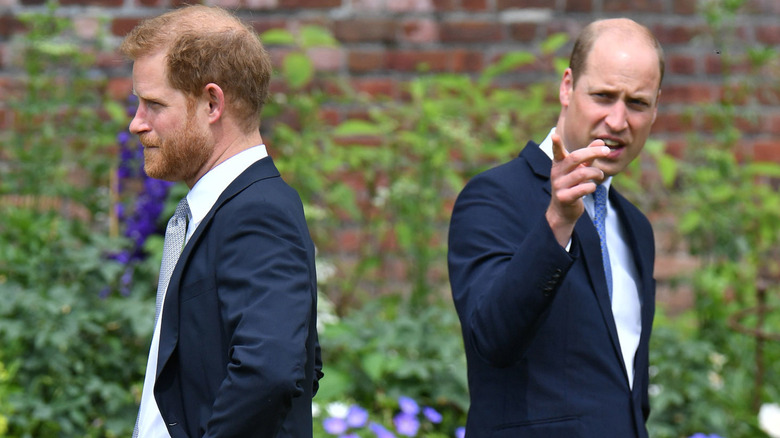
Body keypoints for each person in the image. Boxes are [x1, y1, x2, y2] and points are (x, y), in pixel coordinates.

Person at [447, 18, 663, 437]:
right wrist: (557, 223)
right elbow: (491, 339)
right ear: (567, 87)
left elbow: (627, 396)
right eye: (603, 96)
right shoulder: (493, 197)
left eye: (636, 103)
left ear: (656, 108)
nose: (618, 121)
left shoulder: (636, 228)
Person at [120, 5, 322, 437]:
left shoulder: (258, 212)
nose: (136, 123)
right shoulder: (225, 208)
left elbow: (271, 371)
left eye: (154, 104)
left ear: (212, 103)